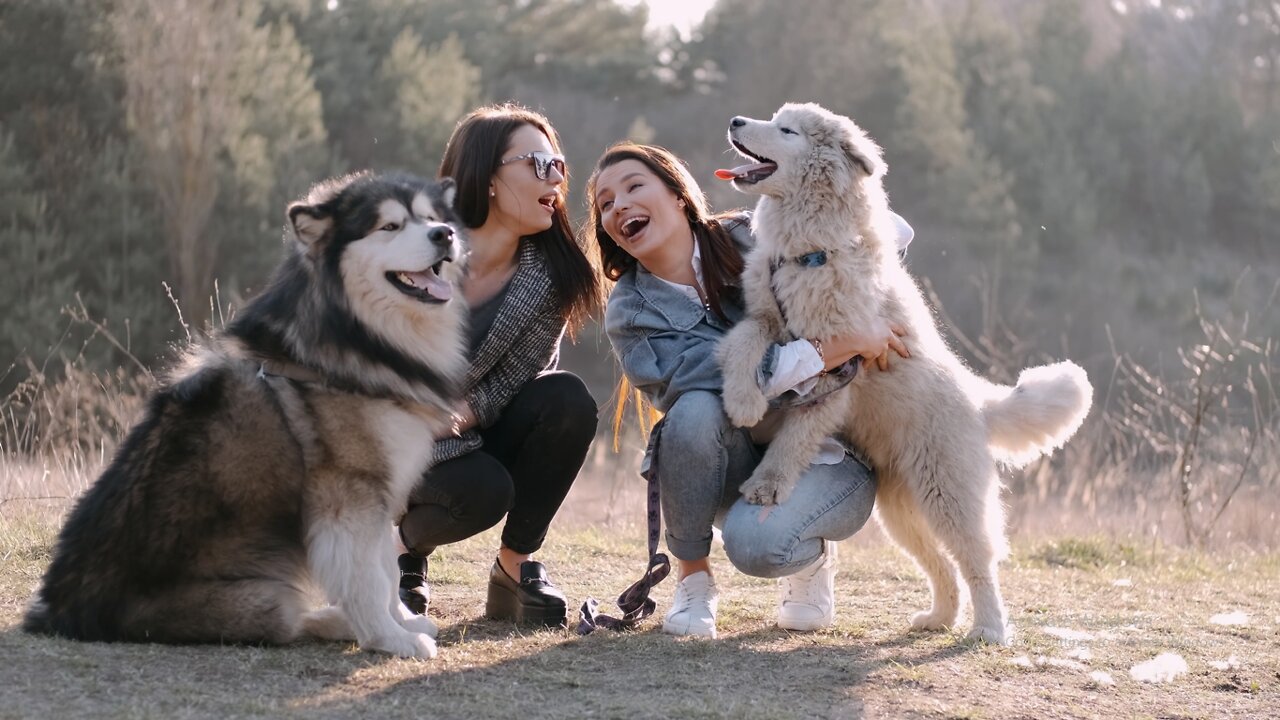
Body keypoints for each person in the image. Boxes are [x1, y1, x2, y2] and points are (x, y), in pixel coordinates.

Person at [587, 143, 911, 637]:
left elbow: (894, 232)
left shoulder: (753, 231)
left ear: (678, 195)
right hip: (727, 462)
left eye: (634, 187)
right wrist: (836, 345)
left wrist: (868, 312)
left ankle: (810, 557)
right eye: (605, 204)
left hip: (828, 450)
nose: (619, 206)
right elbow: (723, 385)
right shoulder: (631, 312)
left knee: (760, 549)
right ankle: (694, 585)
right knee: (693, 409)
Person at [396, 104, 602, 627]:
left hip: (473, 423)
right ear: (487, 177)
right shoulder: (410, 250)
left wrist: (460, 414)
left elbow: (520, 378)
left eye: (557, 164)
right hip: (387, 428)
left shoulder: (551, 276)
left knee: (567, 399)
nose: (554, 177)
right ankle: (397, 554)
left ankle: (515, 569)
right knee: (477, 491)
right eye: (537, 163)